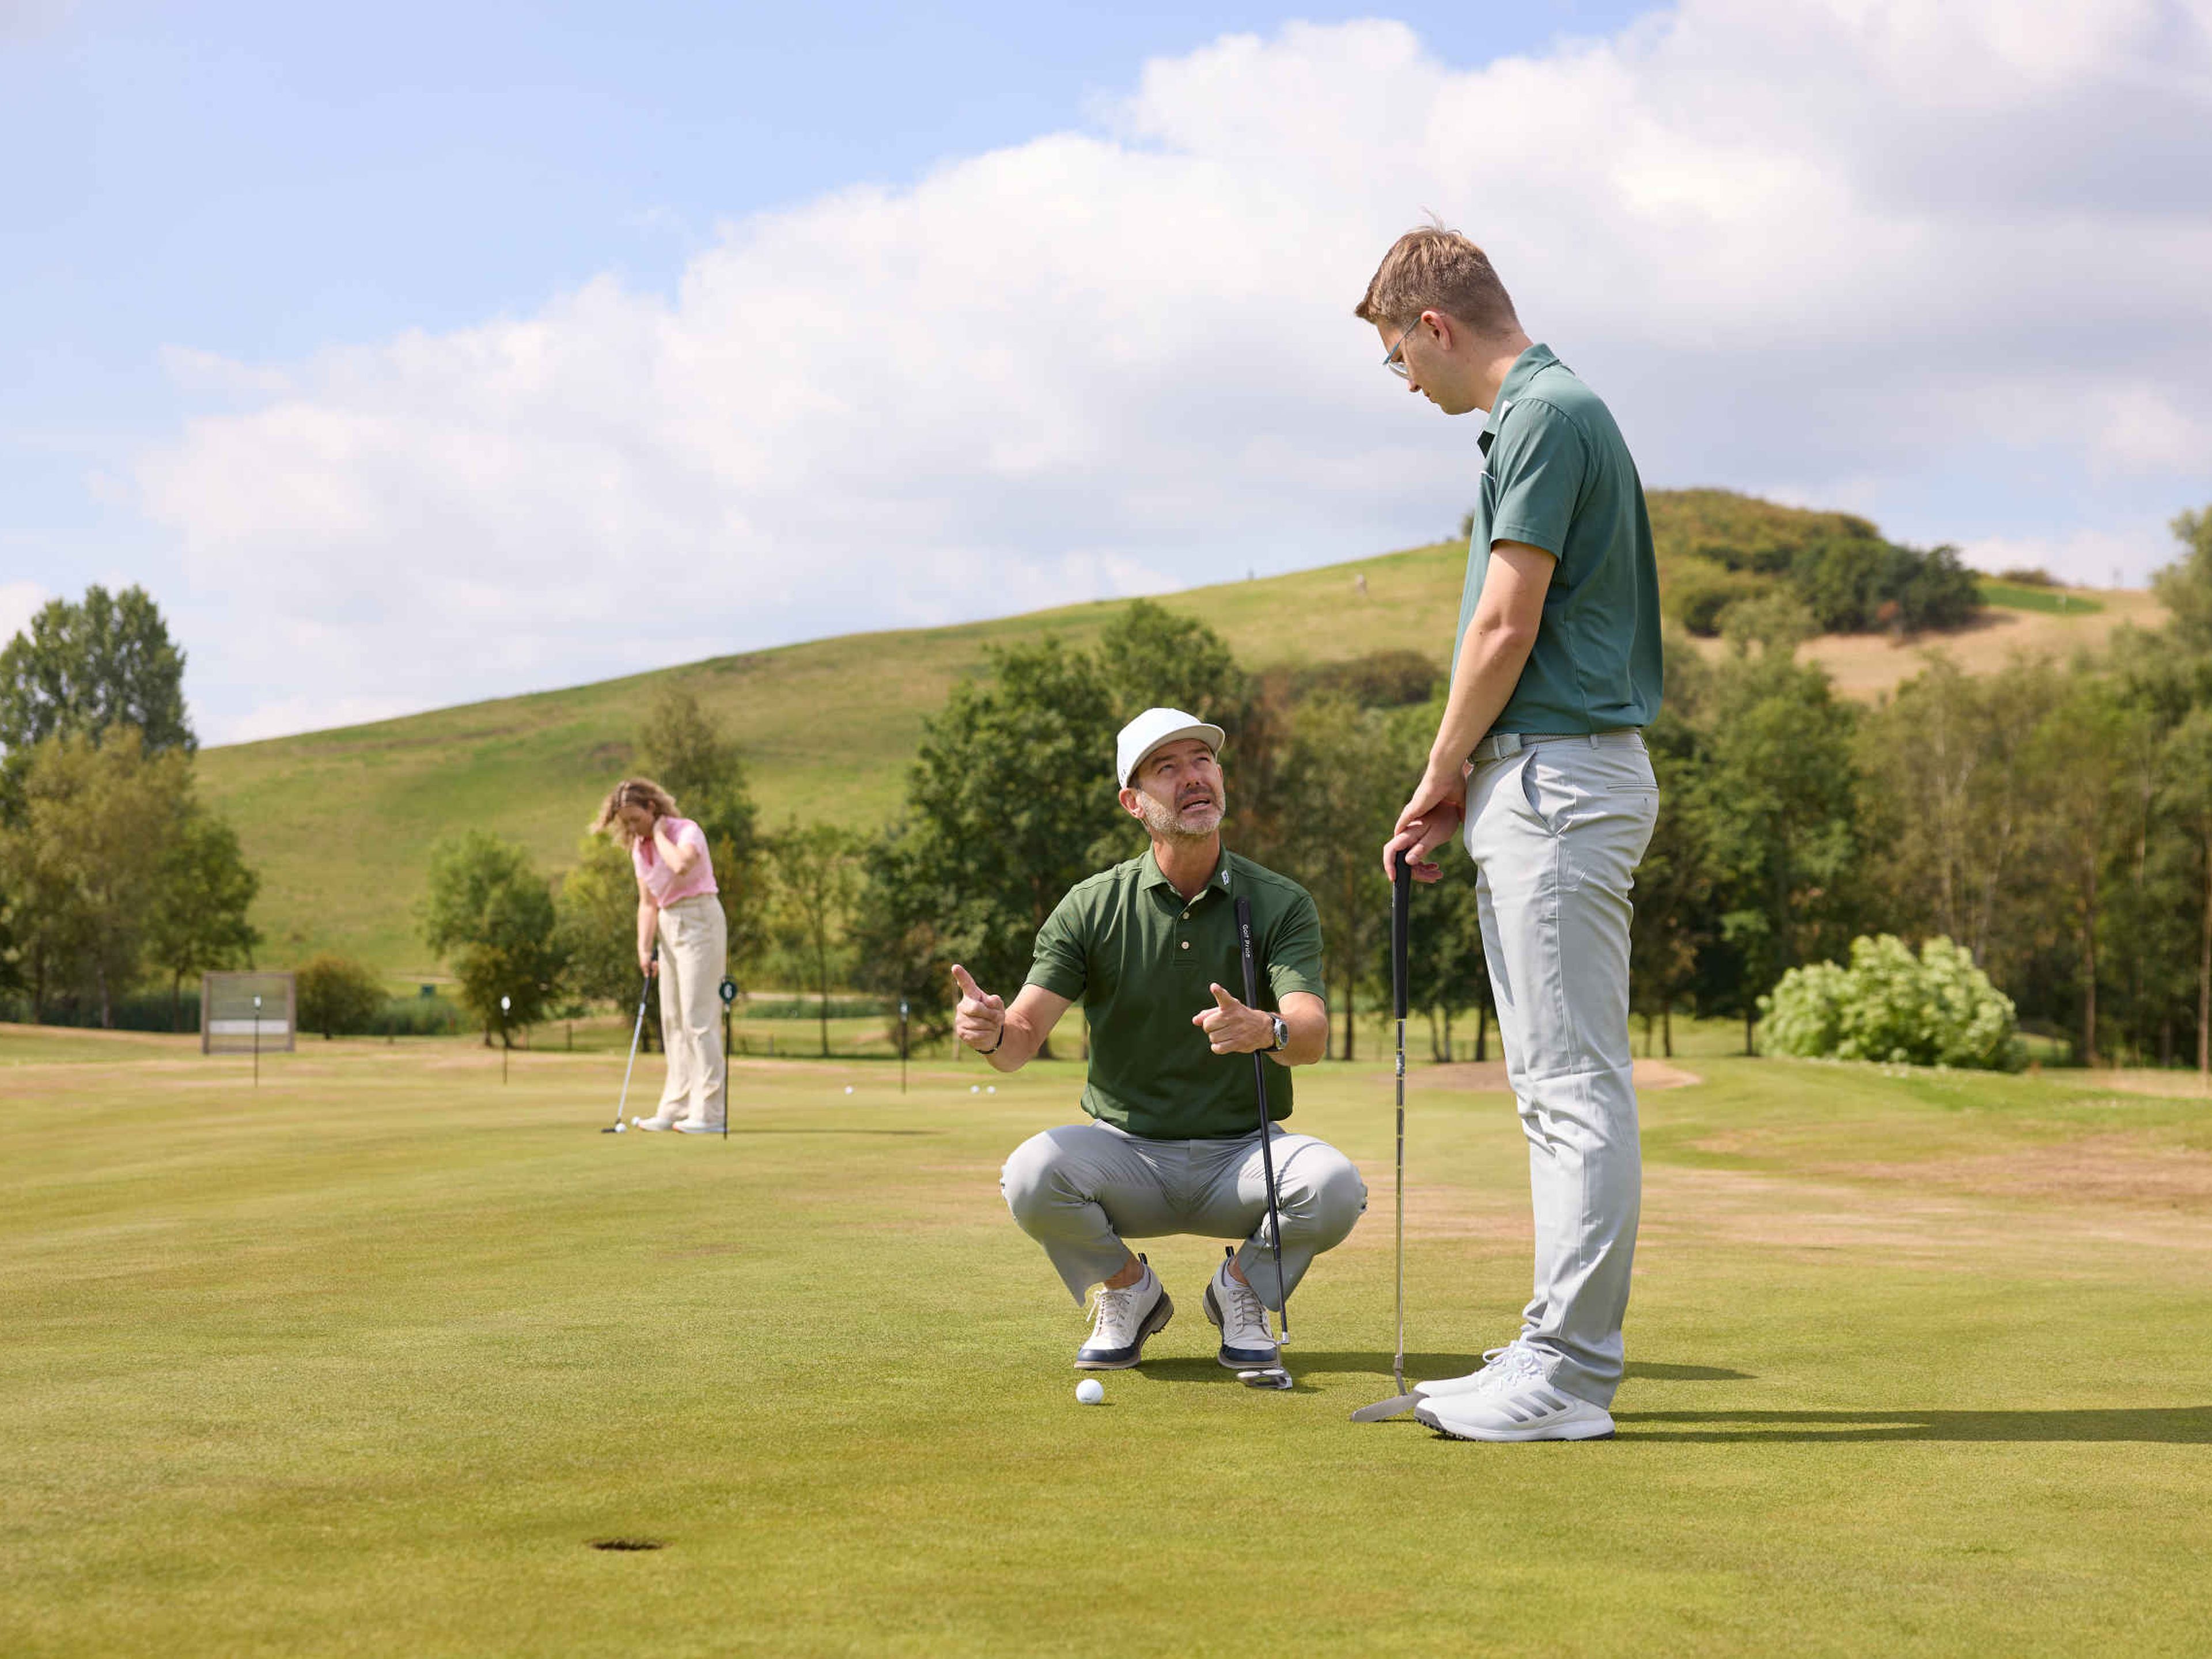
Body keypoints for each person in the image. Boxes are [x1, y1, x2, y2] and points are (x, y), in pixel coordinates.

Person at [1360, 224, 1662, 1442]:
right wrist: (1464, 785)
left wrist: (1441, 771)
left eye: (1397, 357)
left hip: (1560, 781)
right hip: (1542, 781)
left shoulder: (1543, 413)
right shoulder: (1546, 413)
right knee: (1554, 1088)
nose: (1406, 383)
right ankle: (1554, 1347)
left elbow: (1504, 624)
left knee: (1571, 1087)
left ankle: (1572, 1374)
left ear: (1435, 326)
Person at [957, 707, 1368, 1374]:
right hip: (1126, 1156)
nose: (1193, 778)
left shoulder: (1278, 901)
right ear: (1135, 803)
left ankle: (1241, 1291)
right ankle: (1129, 1291)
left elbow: (1310, 1035)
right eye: (1167, 768)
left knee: (1335, 1186)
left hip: (1243, 1153)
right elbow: (1018, 1042)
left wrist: (1266, 1029)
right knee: (1030, 1175)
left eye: (1202, 761)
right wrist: (988, 1029)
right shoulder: (1092, 906)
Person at [591, 778, 728, 1133]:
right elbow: (648, 903)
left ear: (652, 808)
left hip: (700, 920)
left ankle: (710, 1113)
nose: (632, 828)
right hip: (669, 925)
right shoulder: (641, 848)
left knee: (700, 1018)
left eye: (636, 819)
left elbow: (682, 866)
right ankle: (675, 1106)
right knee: (673, 1020)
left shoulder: (686, 832)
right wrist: (643, 947)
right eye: (626, 823)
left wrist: (661, 834)